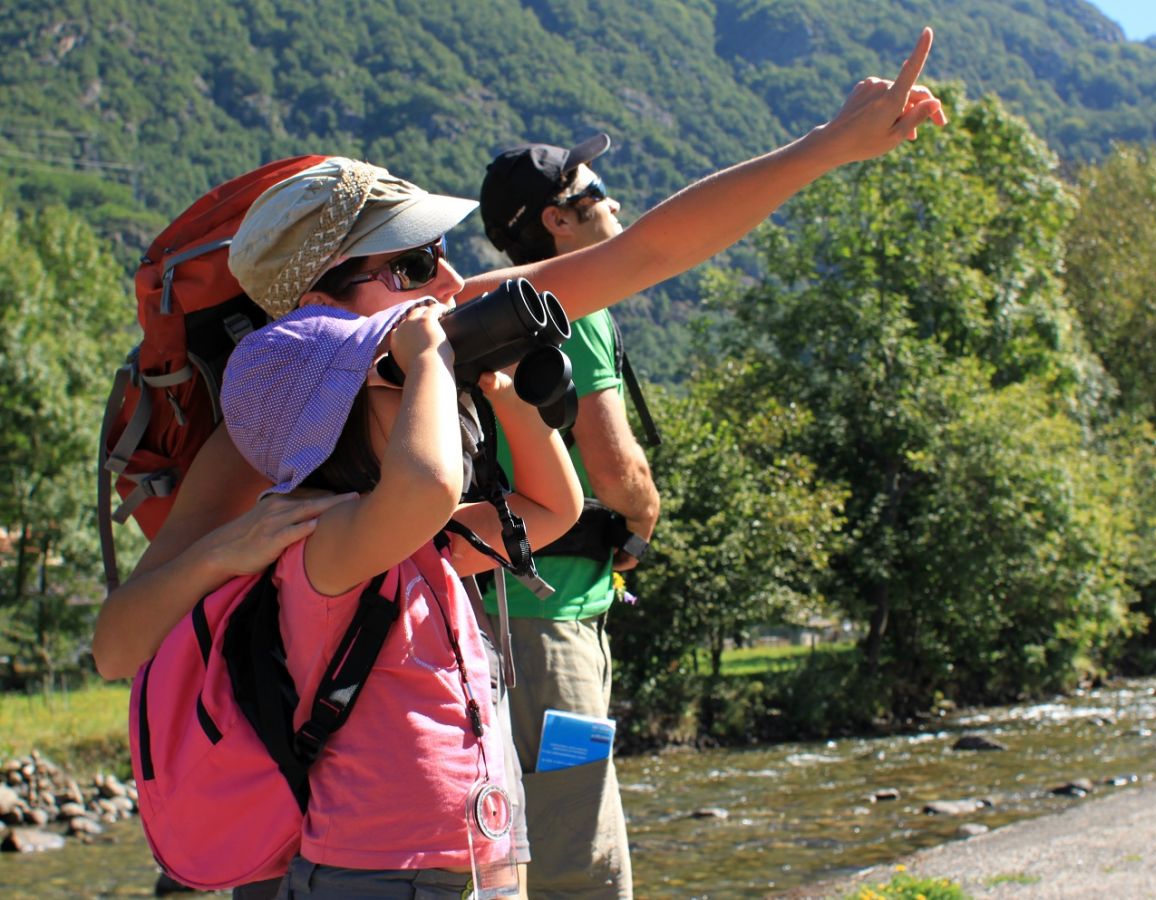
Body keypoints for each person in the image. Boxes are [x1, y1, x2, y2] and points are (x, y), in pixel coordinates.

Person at [93, 21, 945, 888]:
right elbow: (120, 646)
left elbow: (645, 252)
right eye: (419, 260)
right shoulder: (253, 435)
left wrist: (828, 148)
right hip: (303, 825)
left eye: (448, 253)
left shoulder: (439, 327)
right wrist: (230, 551)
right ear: (322, 301)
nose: (454, 283)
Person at [214, 268, 579, 897]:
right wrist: (430, 353)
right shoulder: (322, 546)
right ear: (331, 428)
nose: (423, 396)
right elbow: (428, 484)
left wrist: (504, 394)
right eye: (396, 384)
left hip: (475, 854)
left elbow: (553, 510)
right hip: (373, 871)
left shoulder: (421, 545)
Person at [475, 133, 655, 897]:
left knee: (506, 847)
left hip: (489, 612)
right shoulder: (570, 304)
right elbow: (615, 471)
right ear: (558, 220)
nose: (613, 201)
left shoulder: (497, 305)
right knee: (578, 846)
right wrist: (643, 524)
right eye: (597, 190)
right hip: (549, 628)